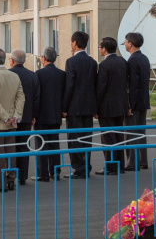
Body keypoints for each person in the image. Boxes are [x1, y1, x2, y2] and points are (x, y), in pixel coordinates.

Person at [0, 48, 25, 192]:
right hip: (12, 122)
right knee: (10, 151)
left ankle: (0, 183)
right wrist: (16, 116)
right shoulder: (14, 76)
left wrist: (4, 116)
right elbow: (21, 97)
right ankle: (11, 179)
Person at [62, 31, 98, 179]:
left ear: (75, 43)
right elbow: (95, 86)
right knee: (86, 138)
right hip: (88, 107)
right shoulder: (92, 62)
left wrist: (64, 108)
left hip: (74, 108)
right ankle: (86, 166)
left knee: (74, 139)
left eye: (71, 42)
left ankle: (78, 168)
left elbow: (69, 86)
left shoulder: (71, 62)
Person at [32, 47, 66, 182]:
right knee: (54, 143)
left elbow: (37, 96)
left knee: (41, 144)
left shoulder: (39, 73)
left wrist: (34, 114)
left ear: (43, 58)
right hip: (56, 114)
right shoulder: (62, 74)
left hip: (41, 114)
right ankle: (55, 171)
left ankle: (43, 173)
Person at [95, 37, 128, 176]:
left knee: (108, 138)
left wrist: (96, 107)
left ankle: (111, 166)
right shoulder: (123, 62)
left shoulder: (104, 65)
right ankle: (120, 165)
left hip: (107, 107)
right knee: (119, 136)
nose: (99, 49)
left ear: (104, 48)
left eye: (100, 47)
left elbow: (101, 87)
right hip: (120, 105)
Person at [9, 50, 40, 185]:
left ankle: (11, 175)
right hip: (27, 116)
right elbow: (37, 98)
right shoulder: (32, 75)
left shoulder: (8, 74)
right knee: (24, 145)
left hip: (10, 117)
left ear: (11, 60)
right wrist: (34, 115)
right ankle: (23, 176)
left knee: (11, 146)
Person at [123, 32, 150, 171]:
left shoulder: (132, 60)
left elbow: (133, 85)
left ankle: (132, 162)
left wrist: (130, 105)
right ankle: (142, 160)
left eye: (126, 41)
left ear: (131, 44)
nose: (125, 43)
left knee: (131, 132)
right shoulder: (145, 58)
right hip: (144, 100)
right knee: (141, 131)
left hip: (135, 101)